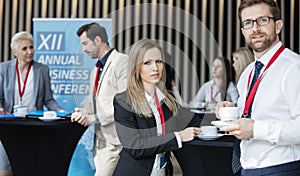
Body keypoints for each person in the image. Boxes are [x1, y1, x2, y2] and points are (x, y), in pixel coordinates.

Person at [217, 0, 300, 175]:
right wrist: (232, 111)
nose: (255, 28)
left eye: (262, 20)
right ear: (243, 31)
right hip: (248, 167)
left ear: (278, 26)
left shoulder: (294, 67)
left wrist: (256, 129)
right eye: (248, 23)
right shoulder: (247, 73)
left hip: (281, 168)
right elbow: (253, 114)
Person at [113, 39, 200, 176]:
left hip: (163, 171)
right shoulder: (124, 101)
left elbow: (195, 120)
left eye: (158, 61)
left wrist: (219, 113)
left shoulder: (167, 100)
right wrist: (178, 137)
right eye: (147, 63)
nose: (155, 68)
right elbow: (135, 147)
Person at [0, 31, 62, 176]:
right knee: (5, 170)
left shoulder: (42, 70)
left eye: (31, 47)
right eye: (24, 48)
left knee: (30, 169)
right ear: (15, 51)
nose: (30, 51)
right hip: (9, 126)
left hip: (33, 127)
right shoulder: (3, 69)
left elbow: (48, 99)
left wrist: (61, 111)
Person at [70, 22, 128, 176]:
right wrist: (84, 111)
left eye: (85, 43)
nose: (83, 49)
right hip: (101, 140)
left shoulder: (122, 62)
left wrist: (92, 118)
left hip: (116, 141)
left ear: (97, 40)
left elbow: (124, 104)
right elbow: (93, 101)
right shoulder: (97, 68)